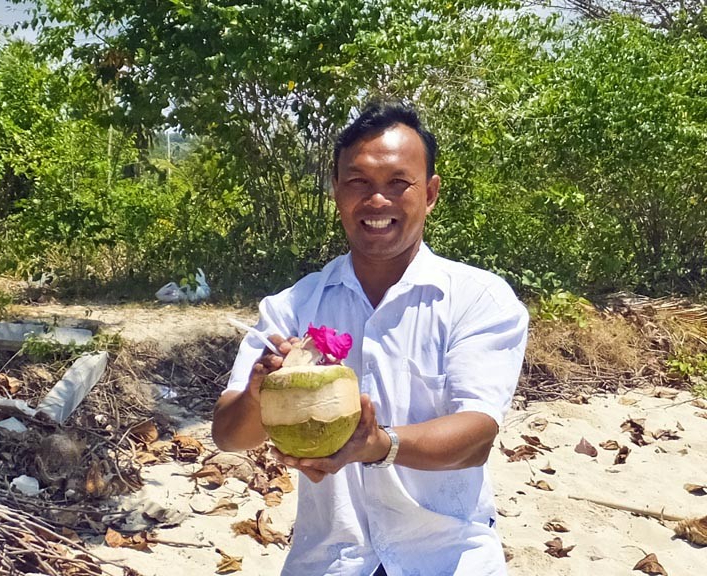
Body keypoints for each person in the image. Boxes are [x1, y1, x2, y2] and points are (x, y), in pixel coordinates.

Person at [211, 101, 528, 576]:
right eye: (358, 182)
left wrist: (377, 444)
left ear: (431, 193)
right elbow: (229, 436)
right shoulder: (293, 307)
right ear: (337, 192)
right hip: (329, 560)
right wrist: (259, 395)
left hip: (447, 556)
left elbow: (477, 435)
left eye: (398, 183)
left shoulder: (478, 299)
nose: (377, 201)